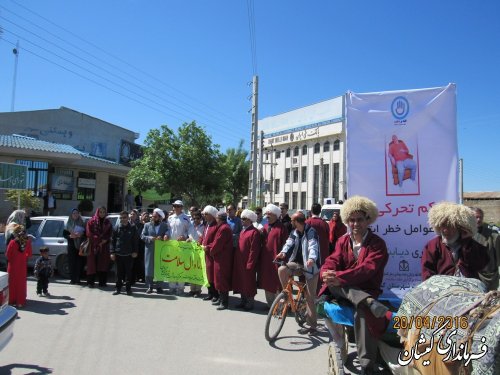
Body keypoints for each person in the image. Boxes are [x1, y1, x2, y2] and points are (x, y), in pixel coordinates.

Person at [319, 195, 389, 374]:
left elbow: (368, 270)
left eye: (359, 219)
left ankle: (367, 365)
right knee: (333, 282)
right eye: (352, 220)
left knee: (363, 313)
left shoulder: (377, 244)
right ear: (347, 221)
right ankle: (368, 302)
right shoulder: (343, 241)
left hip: (367, 289)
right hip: (344, 290)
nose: (355, 224)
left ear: (368, 220)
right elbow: (332, 260)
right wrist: (327, 272)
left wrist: (340, 277)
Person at [276, 211, 320, 334]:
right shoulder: (294, 232)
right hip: (297, 263)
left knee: (310, 297)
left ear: (296, 222)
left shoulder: (311, 232)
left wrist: (312, 258)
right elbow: (288, 243)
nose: (291, 222)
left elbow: (313, 246)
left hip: (310, 267)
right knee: (282, 269)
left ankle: (312, 326)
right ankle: (287, 295)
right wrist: (283, 253)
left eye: (292, 221)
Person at [422, 202, 490, 282]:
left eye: (450, 226)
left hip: (469, 288)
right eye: (442, 225)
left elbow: (480, 265)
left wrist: (467, 242)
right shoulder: (432, 245)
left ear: (460, 227)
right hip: (442, 289)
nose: (445, 230)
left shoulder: (471, 244)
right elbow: (427, 272)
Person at [258, 204, 289, 307]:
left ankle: (279, 306)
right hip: (265, 259)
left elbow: (286, 245)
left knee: (276, 283)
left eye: (269, 214)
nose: (267, 216)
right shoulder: (265, 226)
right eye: (266, 213)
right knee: (267, 282)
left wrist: (284, 260)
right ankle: (270, 305)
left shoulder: (281, 228)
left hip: (276, 260)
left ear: (275, 215)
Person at [232, 209, 261, 311]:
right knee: (240, 281)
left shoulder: (254, 232)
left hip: (248, 263)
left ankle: (250, 302)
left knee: (249, 283)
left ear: (250, 220)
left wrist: (250, 263)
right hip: (239, 261)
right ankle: (243, 300)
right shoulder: (243, 230)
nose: (242, 221)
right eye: (241, 219)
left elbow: (254, 250)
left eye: (244, 219)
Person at [207, 211, 234, 310]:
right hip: (219, 257)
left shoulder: (224, 228)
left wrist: (210, 250)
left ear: (220, 219)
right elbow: (215, 242)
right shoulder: (222, 227)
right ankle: (220, 298)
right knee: (217, 279)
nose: (216, 219)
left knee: (222, 279)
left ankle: (224, 302)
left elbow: (218, 244)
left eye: (217, 218)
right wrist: (208, 246)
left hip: (223, 258)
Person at [141, 208, 169, 294]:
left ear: (160, 218)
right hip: (150, 249)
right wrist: (150, 238)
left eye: (155, 217)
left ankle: (159, 287)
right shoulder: (147, 225)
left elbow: (168, 233)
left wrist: (165, 236)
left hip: (161, 251)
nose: (153, 218)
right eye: (153, 216)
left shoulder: (165, 225)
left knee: (160, 268)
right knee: (149, 268)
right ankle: (150, 286)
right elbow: (142, 236)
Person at [111, 211, 139, 295]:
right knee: (118, 273)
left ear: (128, 218)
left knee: (128, 273)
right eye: (121, 218)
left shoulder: (133, 228)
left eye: (124, 217)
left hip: (129, 254)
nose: (123, 219)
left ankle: (128, 289)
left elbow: (135, 241)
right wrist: (112, 252)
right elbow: (112, 241)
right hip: (118, 254)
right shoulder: (116, 227)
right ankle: (117, 289)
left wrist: (135, 251)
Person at [472, 207, 500, 291]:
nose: (478, 219)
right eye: (476, 217)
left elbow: (498, 257)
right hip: (472, 276)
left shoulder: (493, 236)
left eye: (480, 217)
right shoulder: (464, 234)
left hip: (489, 276)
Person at [167, 200, 191, 295]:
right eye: (174, 206)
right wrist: (166, 235)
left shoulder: (186, 218)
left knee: (181, 267)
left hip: (182, 246)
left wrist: (184, 236)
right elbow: (168, 230)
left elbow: (189, 230)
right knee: (172, 266)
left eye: (178, 206)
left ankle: (180, 287)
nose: (176, 208)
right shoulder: (170, 218)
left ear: (181, 207)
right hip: (172, 246)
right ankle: (172, 287)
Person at [86, 206, 113, 288]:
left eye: (103, 212)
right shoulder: (91, 221)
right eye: (100, 212)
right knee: (92, 265)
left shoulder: (108, 222)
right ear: (97, 212)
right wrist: (98, 241)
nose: (102, 214)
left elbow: (110, 233)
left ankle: (102, 282)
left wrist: (105, 240)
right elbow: (88, 233)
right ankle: (90, 282)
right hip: (93, 246)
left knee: (103, 264)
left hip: (104, 247)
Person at [6, 224, 32, 307]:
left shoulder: (12, 242)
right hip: (22, 266)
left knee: (12, 283)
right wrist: (24, 257)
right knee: (21, 283)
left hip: (13, 266)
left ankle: (11, 300)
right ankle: (20, 301)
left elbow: (8, 255)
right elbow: (30, 254)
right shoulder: (27, 242)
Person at [200, 205, 219, 302]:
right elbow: (203, 236)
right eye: (203, 214)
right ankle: (210, 293)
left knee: (212, 274)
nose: (204, 216)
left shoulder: (216, 226)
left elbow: (216, 241)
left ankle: (215, 294)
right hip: (204, 253)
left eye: (206, 214)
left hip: (211, 254)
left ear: (211, 215)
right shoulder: (207, 224)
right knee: (207, 274)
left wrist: (208, 247)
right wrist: (199, 242)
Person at [63, 208, 86, 285]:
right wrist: (70, 236)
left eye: (76, 213)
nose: (75, 214)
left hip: (80, 245)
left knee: (79, 263)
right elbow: (64, 235)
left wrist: (81, 235)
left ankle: (78, 279)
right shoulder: (68, 223)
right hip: (71, 245)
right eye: (74, 213)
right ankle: (72, 279)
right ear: (71, 215)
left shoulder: (82, 222)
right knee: (72, 263)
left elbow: (86, 234)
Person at [187, 211, 205, 297]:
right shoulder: (190, 227)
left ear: (201, 219)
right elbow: (188, 236)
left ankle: (198, 290)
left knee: (198, 271)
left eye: (197, 218)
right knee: (191, 270)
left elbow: (203, 240)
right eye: (194, 218)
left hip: (199, 252)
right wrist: (187, 239)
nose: (195, 220)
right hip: (190, 251)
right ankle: (192, 289)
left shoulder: (204, 228)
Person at [131, 211, 148, 284]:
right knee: (134, 263)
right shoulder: (136, 224)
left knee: (142, 263)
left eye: (146, 215)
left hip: (142, 246)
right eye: (144, 215)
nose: (145, 216)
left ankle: (143, 277)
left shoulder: (146, 224)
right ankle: (135, 278)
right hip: (134, 246)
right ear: (141, 216)